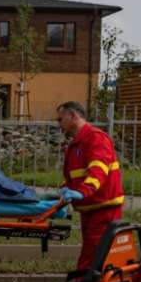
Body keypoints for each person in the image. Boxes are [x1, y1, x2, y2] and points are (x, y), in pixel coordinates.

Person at [56, 101, 125, 272]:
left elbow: (98, 171)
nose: (59, 124)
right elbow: (76, 176)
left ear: (73, 116)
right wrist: (65, 192)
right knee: (93, 251)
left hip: (103, 209)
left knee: (94, 253)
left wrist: (81, 192)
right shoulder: (78, 143)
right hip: (91, 207)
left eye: (60, 119)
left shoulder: (95, 138)